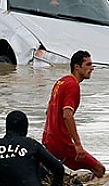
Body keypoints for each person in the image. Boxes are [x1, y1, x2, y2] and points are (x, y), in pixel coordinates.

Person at [42, 50, 106, 179]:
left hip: (48, 140)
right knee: (100, 170)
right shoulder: (73, 86)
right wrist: (77, 144)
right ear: (77, 67)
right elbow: (67, 115)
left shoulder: (61, 82)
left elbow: (48, 111)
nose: (92, 68)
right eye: (88, 64)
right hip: (62, 143)